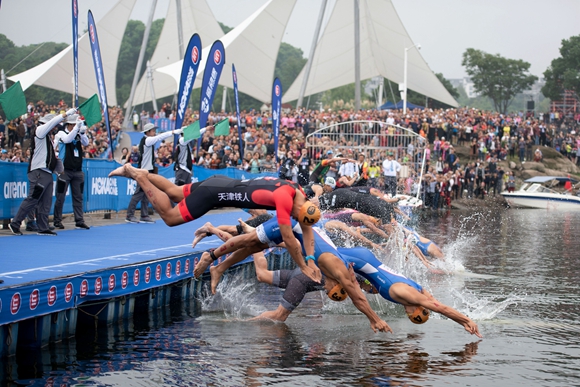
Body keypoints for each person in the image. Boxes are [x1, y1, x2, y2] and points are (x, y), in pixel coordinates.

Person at [108, 167, 322, 283]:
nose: (295, 217)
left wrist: (311, 259)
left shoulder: (298, 193)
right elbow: (289, 239)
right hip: (214, 195)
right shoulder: (285, 201)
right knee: (170, 218)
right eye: (297, 216)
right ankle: (138, 176)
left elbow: (307, 230)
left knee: (174, 192)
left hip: (219, 182)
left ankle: (137, 171)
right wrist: (303, 267)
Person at [198, 216, 393, 333]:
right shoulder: (334, 268)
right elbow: (357, 296)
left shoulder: (338, 270)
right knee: (248, 241)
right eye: (330, 291)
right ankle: (212, 256)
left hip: (296, 238)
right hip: (292, 228)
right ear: (337, 284)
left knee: (258, 264)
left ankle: (217, 251)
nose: (325, 291)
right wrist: (374, 319)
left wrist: (375, 288)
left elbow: (359, 287)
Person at [8, 109, 77, 236]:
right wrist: (66, 114)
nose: (54, 127)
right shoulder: (40, 131)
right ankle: (15, 223)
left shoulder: (48, 136)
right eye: (52, 125)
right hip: (38, 172)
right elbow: (53, 122)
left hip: (46, 173)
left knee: (46, 201)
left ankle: (43, 226)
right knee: (33, 199)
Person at [125, 123, 183, 223]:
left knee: (147, 194)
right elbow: (160, 137)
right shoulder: (147, 140)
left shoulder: (147, 140)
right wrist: (173, 132)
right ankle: (129, 215)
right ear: (147, 132)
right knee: (138, 194)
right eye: (152, 131)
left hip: (148, 170)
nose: (154, 132)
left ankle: (144, 215)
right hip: (143, 171)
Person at [53, 114, 90, 230]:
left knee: (78, 197)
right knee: (60, 196)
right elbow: (68, 140)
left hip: (77, 170)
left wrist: (82, 133)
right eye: (74, 124)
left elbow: (86, 143)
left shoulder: (77, 133)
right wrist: (76, 129)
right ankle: (57, 220)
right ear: (69, 124)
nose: (76, 126)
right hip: (64, 170)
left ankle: (79, 220)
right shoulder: (61, 133)